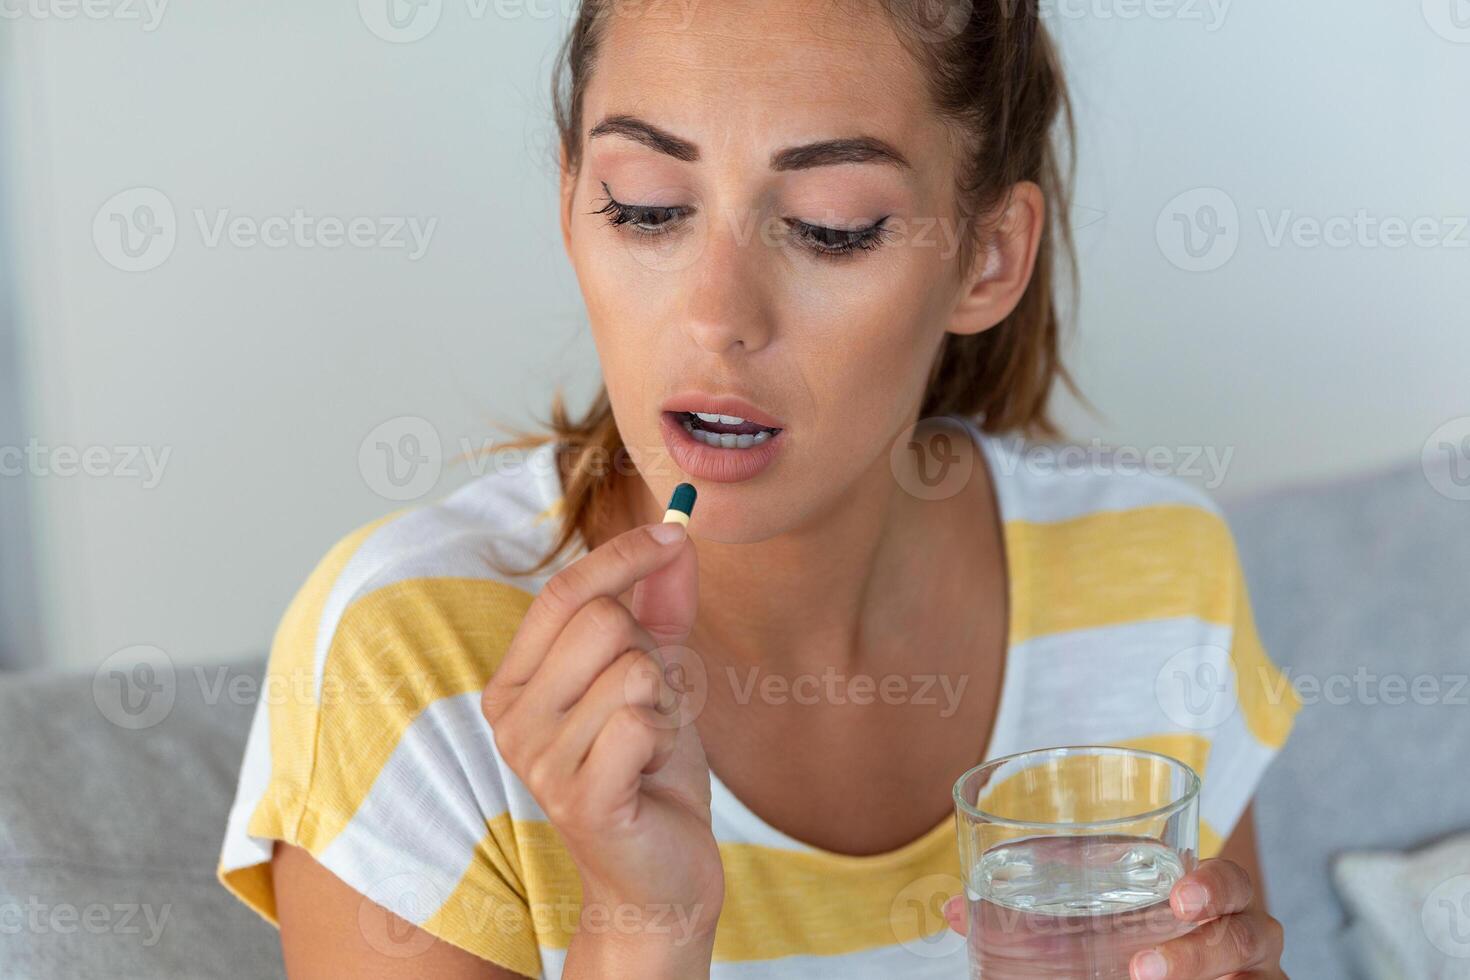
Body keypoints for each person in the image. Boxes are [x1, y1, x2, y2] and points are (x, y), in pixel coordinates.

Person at [217, 1, 1300, 976]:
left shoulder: (1155, 574)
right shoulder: (405, 660)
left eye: (832, 226)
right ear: (570, 204)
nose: (717, 314)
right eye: (646, 207)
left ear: (987, 256)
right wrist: (646, 925)